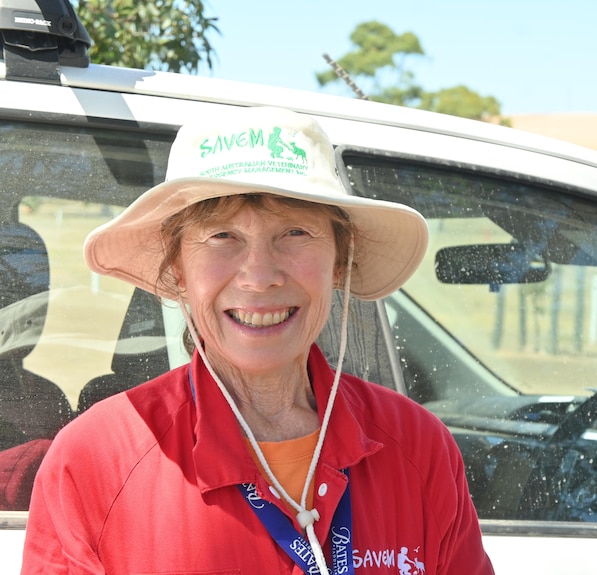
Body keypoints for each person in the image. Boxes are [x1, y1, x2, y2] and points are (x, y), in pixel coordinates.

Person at [21, 106, 495, 575]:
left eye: (295, 232)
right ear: (178, 268)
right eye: (222, 235)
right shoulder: (96, 460)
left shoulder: (417, 447)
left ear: (340, 258)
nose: (259, 276)